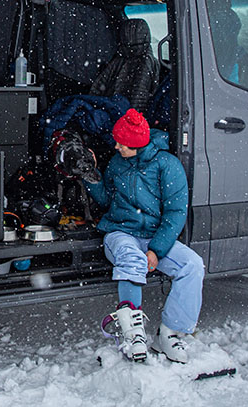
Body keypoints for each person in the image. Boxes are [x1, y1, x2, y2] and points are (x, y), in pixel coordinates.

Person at [84, 108, 204, 363]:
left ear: (138, 144)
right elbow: (107, 199)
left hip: (154, 236)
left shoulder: (167, 166)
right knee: (131, 258)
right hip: (120, 232)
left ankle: (170, 334)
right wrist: (91, 175)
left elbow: (175, 213)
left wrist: (156, 250)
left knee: (192, 265)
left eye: (122, 143)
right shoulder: (118, 163)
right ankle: (133, 333)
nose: (116, 147)